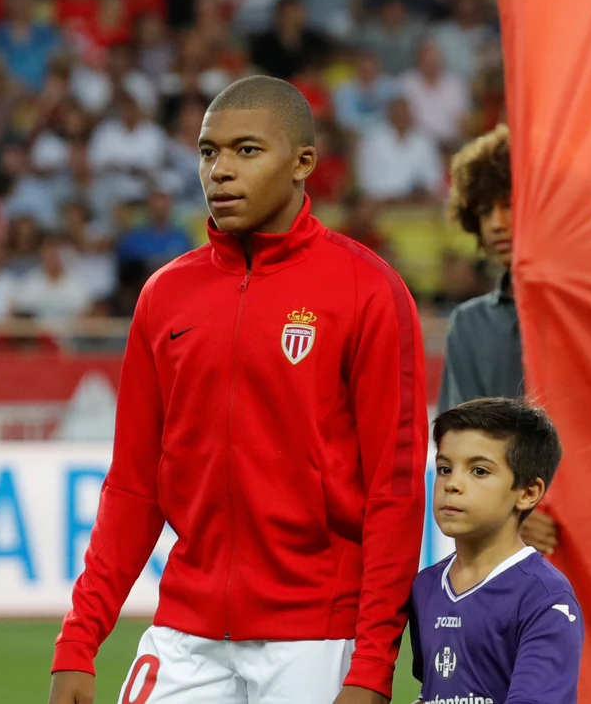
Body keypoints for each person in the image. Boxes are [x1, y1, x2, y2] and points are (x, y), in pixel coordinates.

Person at [51, 75, 425, 704]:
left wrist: (371, 667)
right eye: (208, 152)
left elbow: (393, 491)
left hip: (315, 636)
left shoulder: (368, 290)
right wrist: (79, 640)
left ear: (303, 162)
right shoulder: (165, 295)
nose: (220, 171)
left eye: (246, 151)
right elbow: (135, 482)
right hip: (185, 632)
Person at [404, 398, 582, 702]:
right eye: (445, 468)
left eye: (479, 471)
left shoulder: (545, 596)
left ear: (527, 493)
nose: (452, 484)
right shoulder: (425, 586)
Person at [439, 126, 556, 557]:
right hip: (499, 544)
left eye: (509, 205)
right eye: (485, 211)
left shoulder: (584, 317)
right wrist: (516, 516)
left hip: (590, 527)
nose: (497, 223)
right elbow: (461, 444)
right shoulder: (469, 324)